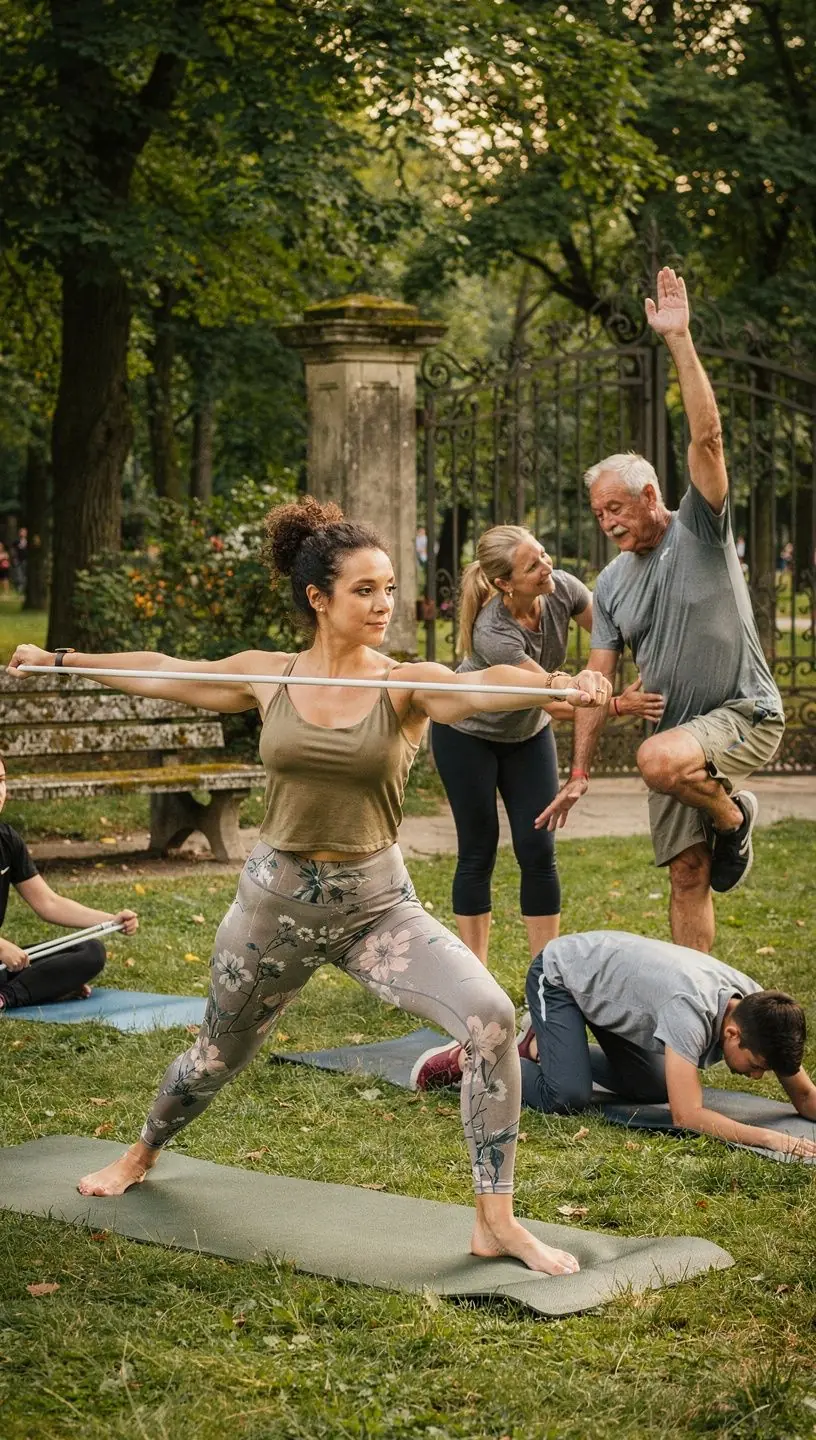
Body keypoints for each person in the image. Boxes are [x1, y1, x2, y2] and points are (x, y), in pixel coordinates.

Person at [9, 496, 612, 1275]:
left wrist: (559, 684)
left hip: (378, 908)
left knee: (491, 1018)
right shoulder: (271, 675)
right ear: (318, 598)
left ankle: (495, 1221)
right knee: (212, 1059)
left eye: (389, 588)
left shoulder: (404, 685)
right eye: (365, 590)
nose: (384, 604)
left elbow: (480, 685)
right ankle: (142, 1151)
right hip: (274, 909)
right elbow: (167, 673)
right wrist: (59, 659)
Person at [538, 268, 785, 953]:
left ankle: (733, 819)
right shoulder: (613, 583)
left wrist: (679, 340)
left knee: (653, 759)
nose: (608, 522)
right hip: (677, 742)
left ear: (650, 495)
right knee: (687, 872)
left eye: (616, 507)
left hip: (742, 712)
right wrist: (579, 773)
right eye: (599, 514)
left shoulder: (700, 530)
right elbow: (598, 682)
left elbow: (708, 440)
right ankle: (695, 999)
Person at [430, 524, 662, 968]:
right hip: (467, 735)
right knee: (478, 849)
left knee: (538, 848)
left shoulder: (564, 590)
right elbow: (555, 700)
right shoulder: (493, 632)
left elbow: (612, 637)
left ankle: (544, 975)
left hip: (527, 734)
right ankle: (476, 979)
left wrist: (654, 662)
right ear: (505, 583)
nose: (546, 566)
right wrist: (618, 705)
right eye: (532, 565)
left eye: (542, 554)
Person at [517, 930, 816, 1159]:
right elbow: (686, 1115)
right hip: (560, 974)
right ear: (732, 1034)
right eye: (756, 1066)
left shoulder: (760, 1011)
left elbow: (804, 1095)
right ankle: (492, 1056)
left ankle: (546, 1047)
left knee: (655, 1088)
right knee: (566, 1096)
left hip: (607, 984)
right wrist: (767, 1138)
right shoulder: (688, 1012)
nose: (757, 1076)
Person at [0, 755, 138, 1009]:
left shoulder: (7, 840)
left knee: (89, 951)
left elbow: (48, 903)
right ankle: (22, 992)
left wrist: (111, 920)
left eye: (1, 781)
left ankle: (10, 994)